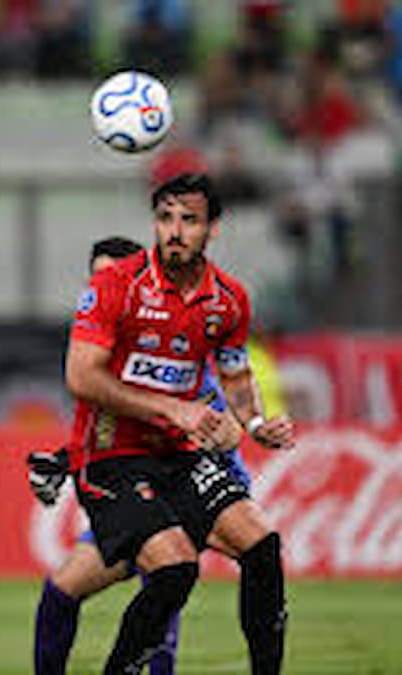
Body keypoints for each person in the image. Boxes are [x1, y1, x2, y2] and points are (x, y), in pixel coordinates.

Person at [64, 174, 294, 674]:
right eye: (165, 218)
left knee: (262, 547)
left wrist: (254, 422)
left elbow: (234, 375)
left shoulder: (229, 300)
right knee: (175, 570)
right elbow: (80, 377)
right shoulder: (115, 285)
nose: (174, 230)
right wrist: (172, 409)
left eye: (189, 220)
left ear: (212, 228)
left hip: (178, 456)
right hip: (110, 458)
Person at [31, 235, 254, 675]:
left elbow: (218, 431)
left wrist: (219, 431)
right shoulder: (99, 364)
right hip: (134, 497)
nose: (101, 289)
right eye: (95, 279)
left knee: (163, 578)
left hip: (187, 497)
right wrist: (61, 463)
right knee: (61, 591)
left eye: (111, 278)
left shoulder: (172, 359)